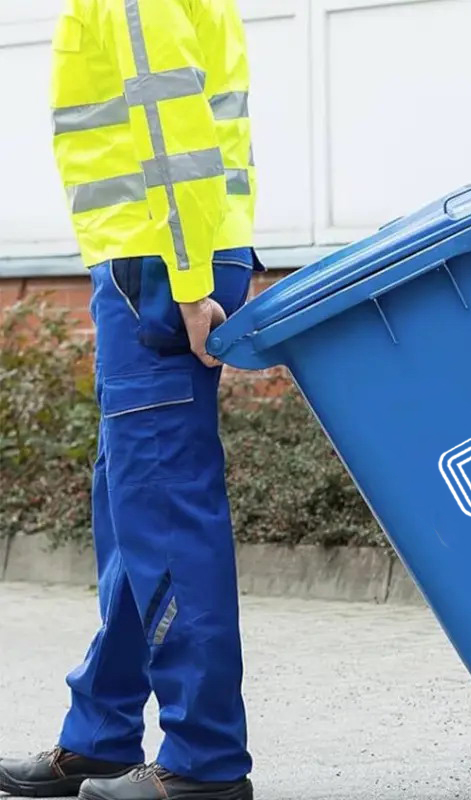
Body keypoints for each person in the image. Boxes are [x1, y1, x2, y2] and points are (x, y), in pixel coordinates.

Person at [0, 2, 260, 799]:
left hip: (157, 268)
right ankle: (103, 735)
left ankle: (203, 762)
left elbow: (169, 129)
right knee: (130, 509)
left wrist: (186, 282)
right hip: (153, 263)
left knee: (165, 512)